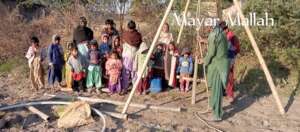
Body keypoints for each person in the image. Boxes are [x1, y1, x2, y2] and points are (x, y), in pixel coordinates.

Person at [203, 25, 230, 121]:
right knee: (216, 89)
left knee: (217, 90)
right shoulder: (222, 34)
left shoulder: (214, 34)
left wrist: (204, 61)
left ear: (210, 27)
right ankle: (214, 107)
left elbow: (211, 52)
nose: (205, 29)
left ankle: (217, 114)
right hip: (221, 64)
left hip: (217, 66)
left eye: (206, 27)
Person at [219, 21, 240, 103]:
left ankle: (230, 95)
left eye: (223, 29)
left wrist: (232, 61)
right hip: (223, 59)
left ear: (226, 29)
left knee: (229, 77)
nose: (222, 31)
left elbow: (236, 50)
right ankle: (224, 91)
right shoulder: (223, 36)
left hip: (230, 58)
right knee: (222, 76)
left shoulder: (231, 36)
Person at [121, 20, 142, 93]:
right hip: (131, 55)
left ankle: (128, 88)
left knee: (129, 72)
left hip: (130, 56)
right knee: (132, 72)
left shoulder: (126, 34)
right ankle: (132, 88)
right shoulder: (137, 34)